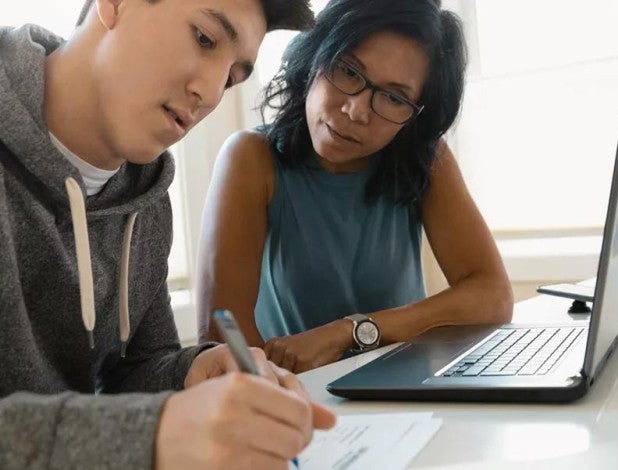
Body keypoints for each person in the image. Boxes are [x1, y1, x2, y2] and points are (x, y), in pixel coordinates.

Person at [0, 0, 335, 468]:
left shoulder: (147, 199)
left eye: (234, 76)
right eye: (204, 38)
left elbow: (131, 373)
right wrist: (150, 435)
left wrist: (191, 371)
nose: (211, 92)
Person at [198, 0, 514, 374]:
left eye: (394, 98)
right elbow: (223, 334)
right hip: (296, 397)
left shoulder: (425, 159)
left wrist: (350, 332)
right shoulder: (252, 158)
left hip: (408, 387)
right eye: (348, 71)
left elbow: (492, 294)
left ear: (416, 116)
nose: (356, 111)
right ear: (315, 56)